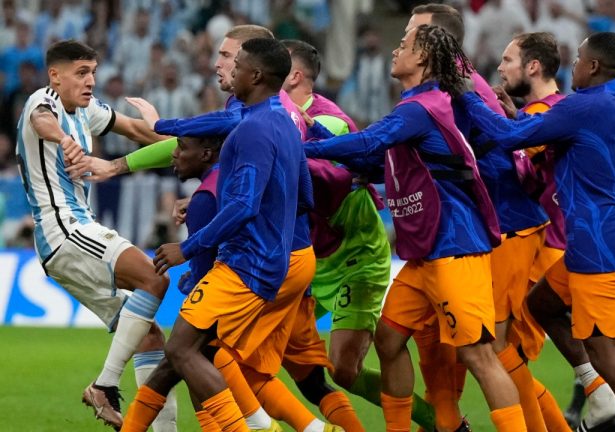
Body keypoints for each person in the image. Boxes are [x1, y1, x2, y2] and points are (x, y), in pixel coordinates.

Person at [305, 24, 527, 432]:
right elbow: (376, 160)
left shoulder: (421, 108)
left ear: (422, 59)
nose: (395, 51)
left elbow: (370, 143)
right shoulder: (417, 106)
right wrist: (314, 132)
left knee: (478, 356)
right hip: (427, 256)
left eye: (404, 45)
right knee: (389, 341)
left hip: (455, 249)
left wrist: (301, 148)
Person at [460, 32, 615, 432]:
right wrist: (518, 116)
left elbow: (509, 139)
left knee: (609, 356)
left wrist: (473, 97)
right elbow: (560, 132)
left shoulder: (579, 107)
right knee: (542, 303)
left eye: (578, 59)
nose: (573, 66)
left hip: (601, 250)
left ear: (593, 66)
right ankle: (597, 392)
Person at [144, 37, 312, 432]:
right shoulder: (286, 124)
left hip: (246, 261)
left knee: (183, 350)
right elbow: (304, 195)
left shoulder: (250, 129)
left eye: (237, 68)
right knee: (199, 352)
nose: (230, 74)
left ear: (254, 75)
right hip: (274, 260)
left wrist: (189, 247)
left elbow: (242, 206)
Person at [14, 39, 175, 431]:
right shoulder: (43, 100)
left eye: (93, 72)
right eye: (82, 73)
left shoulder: (87, 111)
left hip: (70, 242)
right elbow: (41, 121)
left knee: (150, 336)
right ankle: (104, 385)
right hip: (65, 230)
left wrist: (176, 136)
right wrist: (63, 140)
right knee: (155, 275)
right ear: (56, 75)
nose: (90, 81)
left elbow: (136, 129)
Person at [281, 38, 398, 432]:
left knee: (345, 371)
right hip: (312, 257)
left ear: (293, 75)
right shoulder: (275, 114)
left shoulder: (329, 121)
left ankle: (441, 421)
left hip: (354, 255)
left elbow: (300, 152)